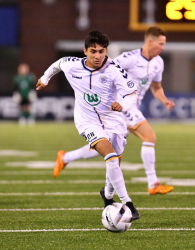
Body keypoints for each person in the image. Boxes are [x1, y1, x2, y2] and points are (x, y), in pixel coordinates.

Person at [53, 26, 175, 195]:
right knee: (149, 136)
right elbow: (106, 68)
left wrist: (165, 100)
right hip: (118, 107)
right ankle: (153, 183)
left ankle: (66, 158)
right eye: (160, 43)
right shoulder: (129, 58)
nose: (162, 47)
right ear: (150, 41)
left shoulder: (159, 63)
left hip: (131, 107)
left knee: (106, 148)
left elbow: (156, 87)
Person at [36, 30, 140, 221]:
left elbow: (131, 93)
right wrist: (44, 78)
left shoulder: (114, 70)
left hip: (112, 119)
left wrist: (123, 105)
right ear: (85, 51)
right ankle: (128, 204)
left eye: (101, 51)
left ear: (106, 51)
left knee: (115, 161)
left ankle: (108, 196)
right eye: (93, 51)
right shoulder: (73, 65)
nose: (98, 55)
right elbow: (57, 65)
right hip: (87, 121)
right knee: (110, 156)